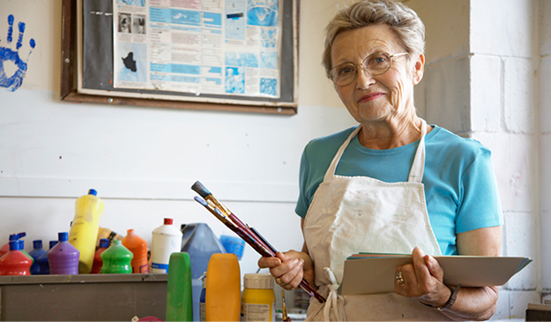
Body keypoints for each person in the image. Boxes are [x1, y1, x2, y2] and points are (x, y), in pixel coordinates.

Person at [258, 0, 503, 320]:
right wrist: (299, 268)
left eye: (379, 60)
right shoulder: (319, 155)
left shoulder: (464, 161)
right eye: (345, 70)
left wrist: (438, 294)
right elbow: (316, 265)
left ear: (416, 67)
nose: (362, 81)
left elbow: (487, 302)